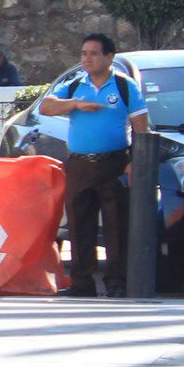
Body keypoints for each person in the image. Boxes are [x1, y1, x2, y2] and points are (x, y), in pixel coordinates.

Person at [39, 33, 149, 297]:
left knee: (116, 225)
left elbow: (141, 126)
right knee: (79, 224)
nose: (87, 59)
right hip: (79, 165)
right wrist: (76, 104)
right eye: (84, 54)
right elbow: (46, 107)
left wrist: (136, 162)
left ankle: (116, 283)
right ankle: (82, 283)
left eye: (94, 54)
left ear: (109, 57)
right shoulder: (76, 85)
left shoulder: (124, 86)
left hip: (114, 164)